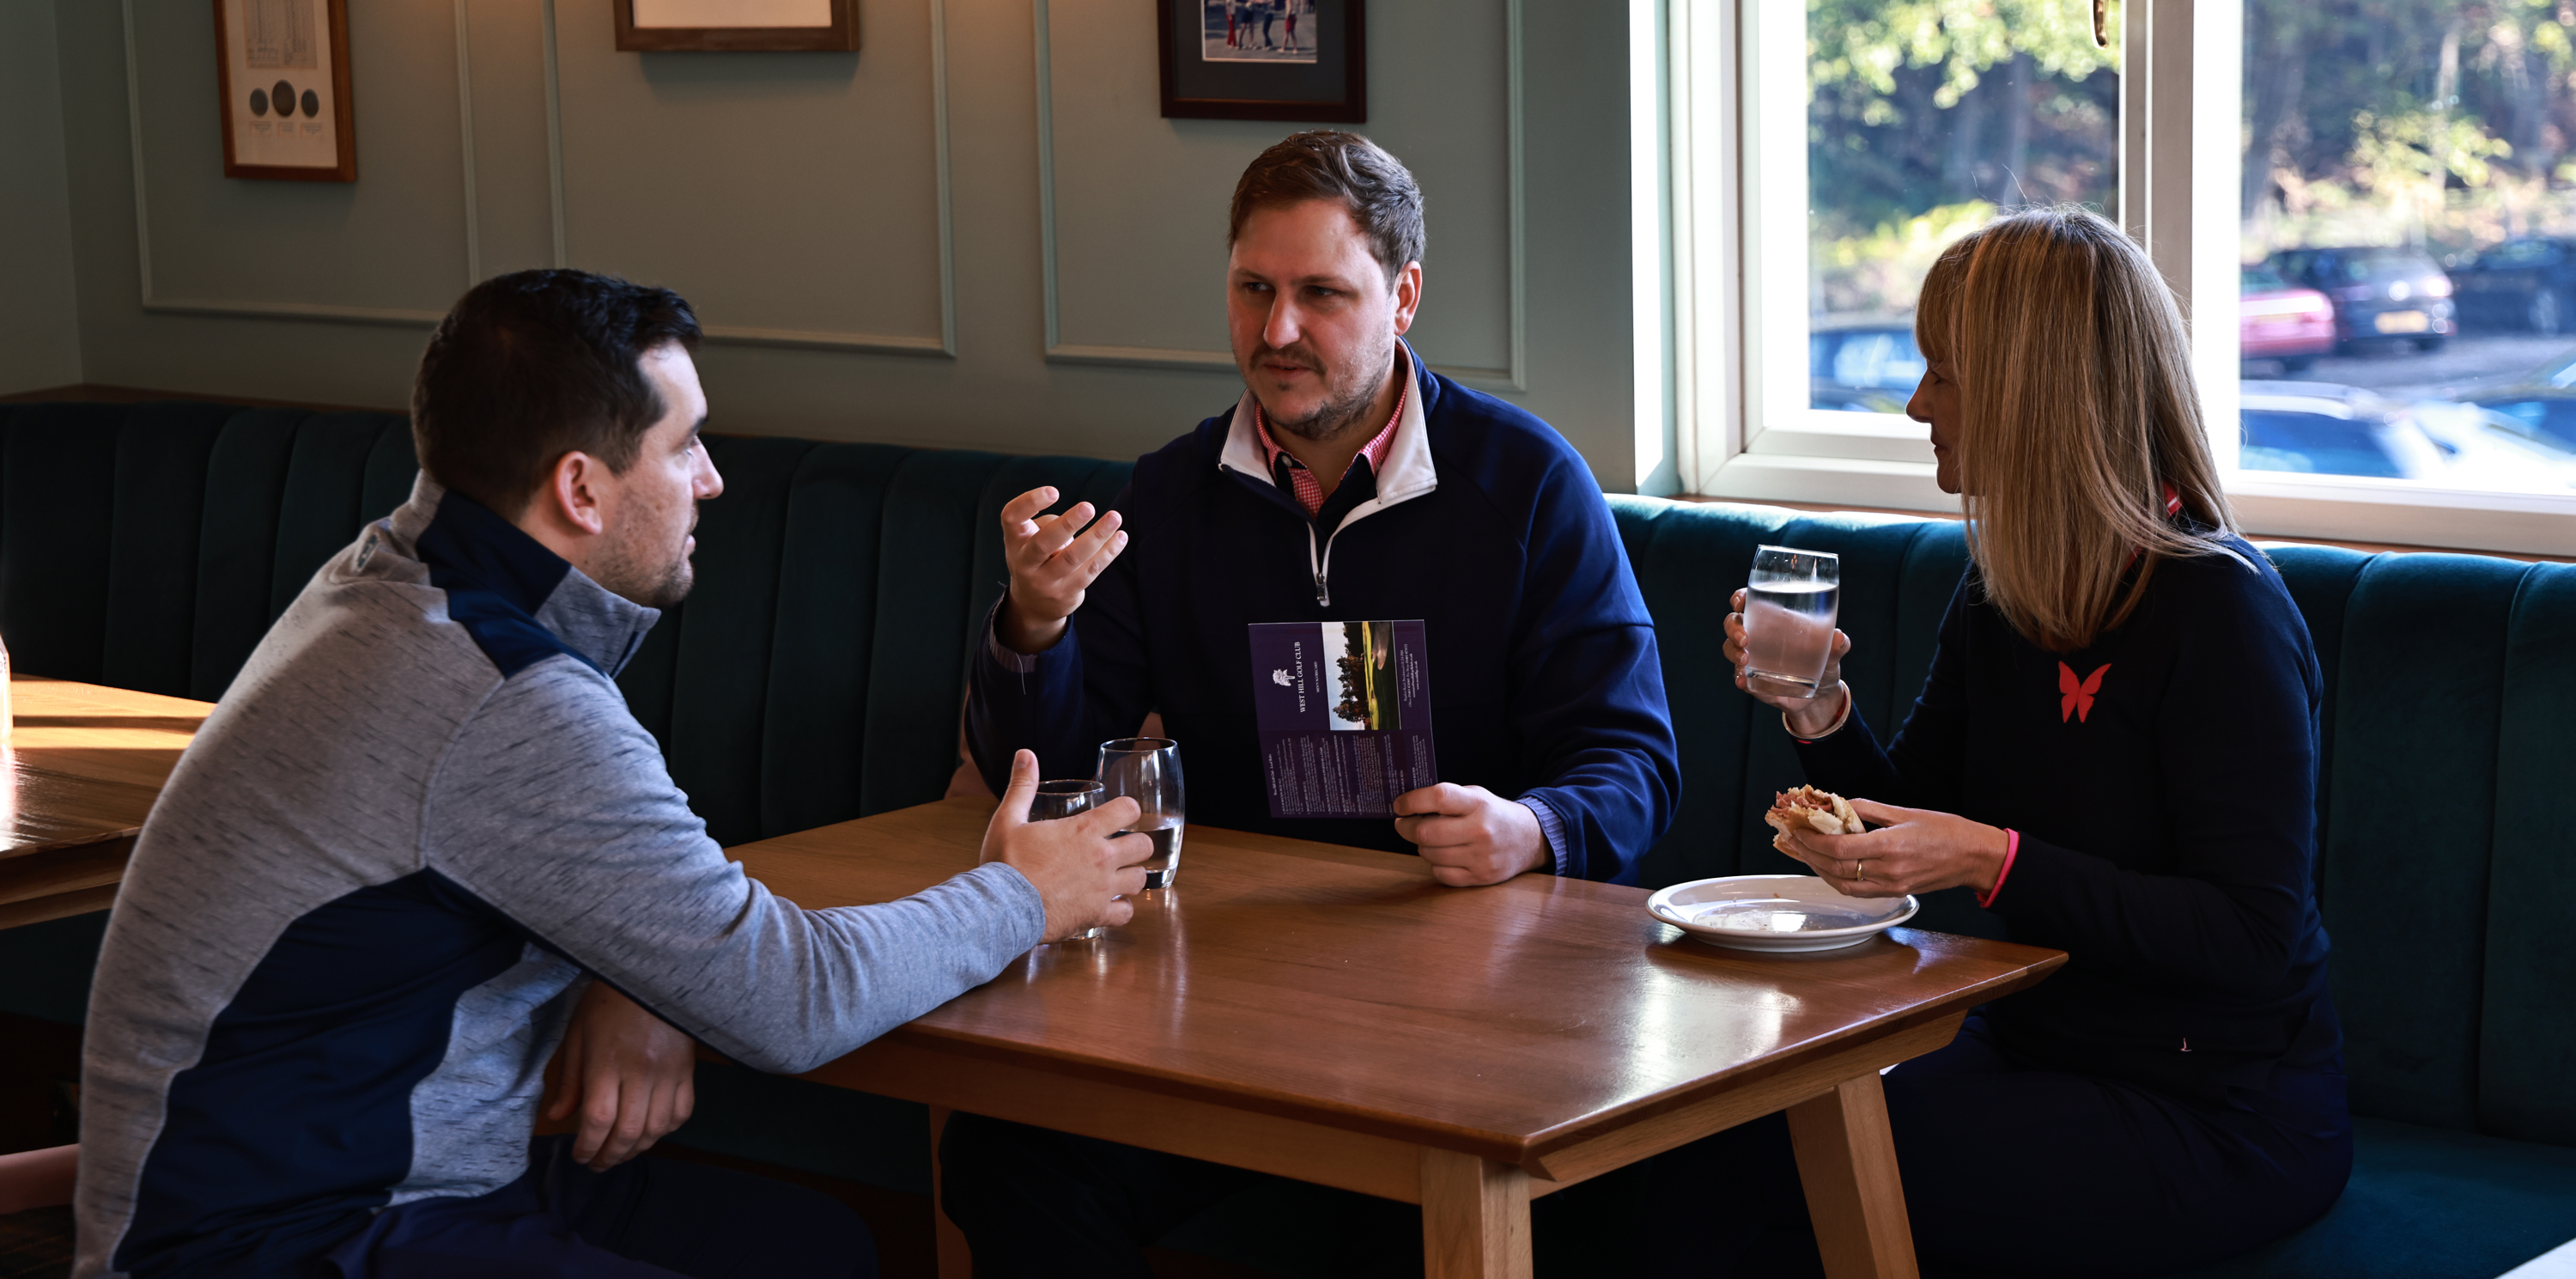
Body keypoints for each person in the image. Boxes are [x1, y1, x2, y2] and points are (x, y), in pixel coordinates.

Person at [74, 270, 1150, 1279]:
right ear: (581, 487)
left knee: (811, 1246)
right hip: (293, 1234)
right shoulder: (504, 692)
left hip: (391, 1175)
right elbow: (789, 1000)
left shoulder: (385, 578)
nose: (715, 479)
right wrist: (1026, 895)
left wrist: (633, 974)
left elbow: (558, 863)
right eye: (685, 446)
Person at [942, 131, 1679, 1274]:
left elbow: (1634, 766)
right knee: (1007, 1158)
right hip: (1229, 1002)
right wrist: (1034, 628)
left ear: (1405, 297)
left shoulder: (1528, 486)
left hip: (1474, 1008)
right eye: (1253, 290)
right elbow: (1042, 778)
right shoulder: (1173, 494)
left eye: (1321, 295)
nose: (1276, 332)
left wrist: (1531, 829)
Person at [1663, 207, 2350, 1277]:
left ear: (2036, 394)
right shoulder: (2002, 593)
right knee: (1725, 1146)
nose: (1916, 402)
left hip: (2219, 1104)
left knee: (1794, 1179)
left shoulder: (2220, 613)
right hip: (2030, 1049)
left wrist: (1997, 858)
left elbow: (2254, 933)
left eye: (1945, 372)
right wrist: (1819, 707)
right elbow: (1907, 816)